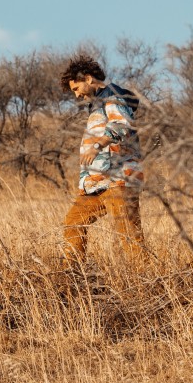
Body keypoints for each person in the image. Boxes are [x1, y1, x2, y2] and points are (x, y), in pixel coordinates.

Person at [58, 56, 144, 265]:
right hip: (97, 184)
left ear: (88, 78)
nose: (76, 94)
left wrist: (97, 145)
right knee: (73, 223)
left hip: (119, 180)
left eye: (76, 88)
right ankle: (71, 278)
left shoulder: (112, 96)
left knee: (129, 236)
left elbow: (122, 125)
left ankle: (148, 283)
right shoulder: (97, 105)